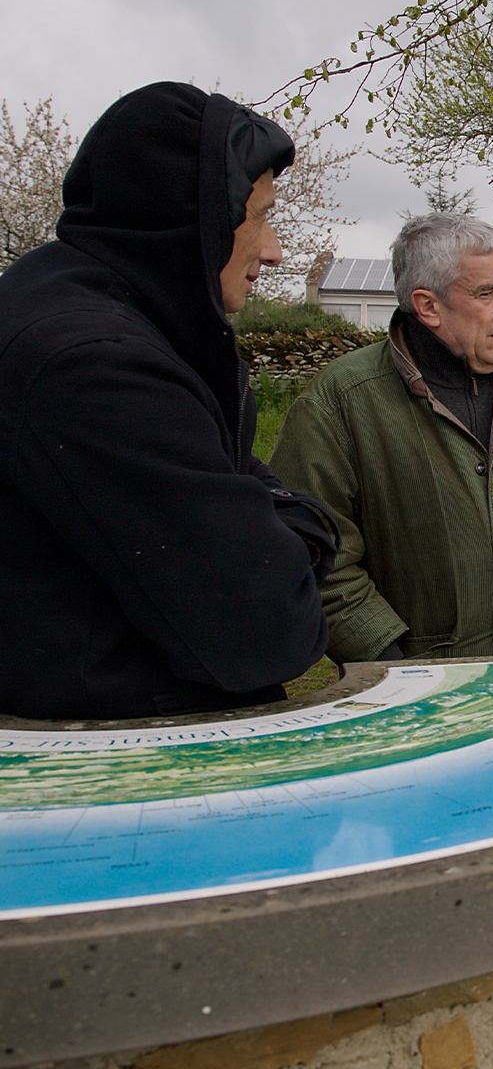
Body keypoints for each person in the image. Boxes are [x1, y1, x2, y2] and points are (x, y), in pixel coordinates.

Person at [0, 81, 337, 719]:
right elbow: (264, 627)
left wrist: (261, 521)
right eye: (258, 215)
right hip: (110, 765)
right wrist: (298, 535)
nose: (274, 250)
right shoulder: (96, 365)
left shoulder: (105, 313)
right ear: (196, 212)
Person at [269, 213, 493, 664]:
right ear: (428, 306)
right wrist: (393, 663)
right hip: (411, 707)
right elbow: (316, 554)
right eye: (487, 293)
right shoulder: (339, 403)